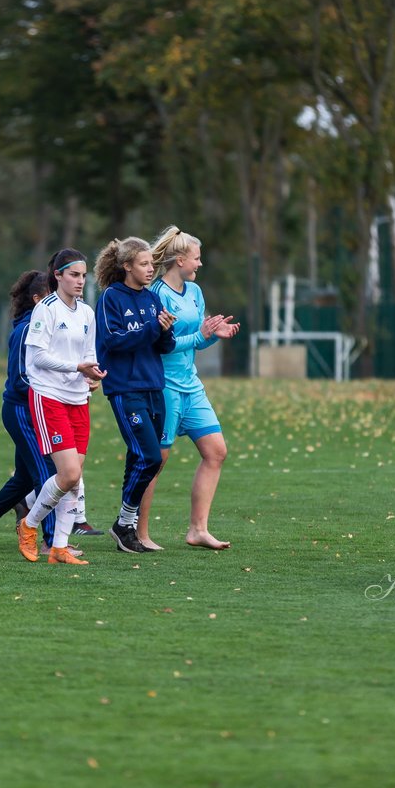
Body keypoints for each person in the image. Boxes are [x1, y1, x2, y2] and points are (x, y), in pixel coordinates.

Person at [137, 226, 240, 550]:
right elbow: (162, 345)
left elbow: (196, 342)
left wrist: (213, 333)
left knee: (216, 451)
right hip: (164, 387)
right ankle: (137, 532)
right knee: (156, 460)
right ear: (180, 260)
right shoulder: (157, 294)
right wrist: (200, 336)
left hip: (190, 385)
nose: (200, 264)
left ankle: (198, 529)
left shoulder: (195, 293)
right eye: (196, 258)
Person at [0, 270, 62, 554]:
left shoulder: (45, 326)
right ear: (38, 298)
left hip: (39, 410)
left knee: (25, 479)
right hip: (22, 412)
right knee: (46, 472)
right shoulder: (27, 329)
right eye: (54, 296)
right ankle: (52, 541)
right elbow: (20, 379)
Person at [16, 249, 105, 565]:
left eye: (83, 275)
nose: (80, 281)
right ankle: (28, 526)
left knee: (73, 476)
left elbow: (90, 353)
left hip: (78, 398)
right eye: (74, 275)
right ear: (58, 275)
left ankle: (59, 548)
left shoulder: (87, 313)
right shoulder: (46, 309)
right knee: (67, 473)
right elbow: (37, 357)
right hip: (48, 396)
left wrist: (91, 374)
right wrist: (77, 367)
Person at [93, 236, 176, 554]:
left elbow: (162, 347)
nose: (150, 269)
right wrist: (153, 329)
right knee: (151, 457)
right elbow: (113, 341)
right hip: (126, 389)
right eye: (143, 264)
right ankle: (124, 524)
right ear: (126, 266)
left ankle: (125, 529)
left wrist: (165, 330)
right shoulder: (111, 298)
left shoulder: (153, 300)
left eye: (151, 264)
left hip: (154, 387)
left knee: (141, 458)